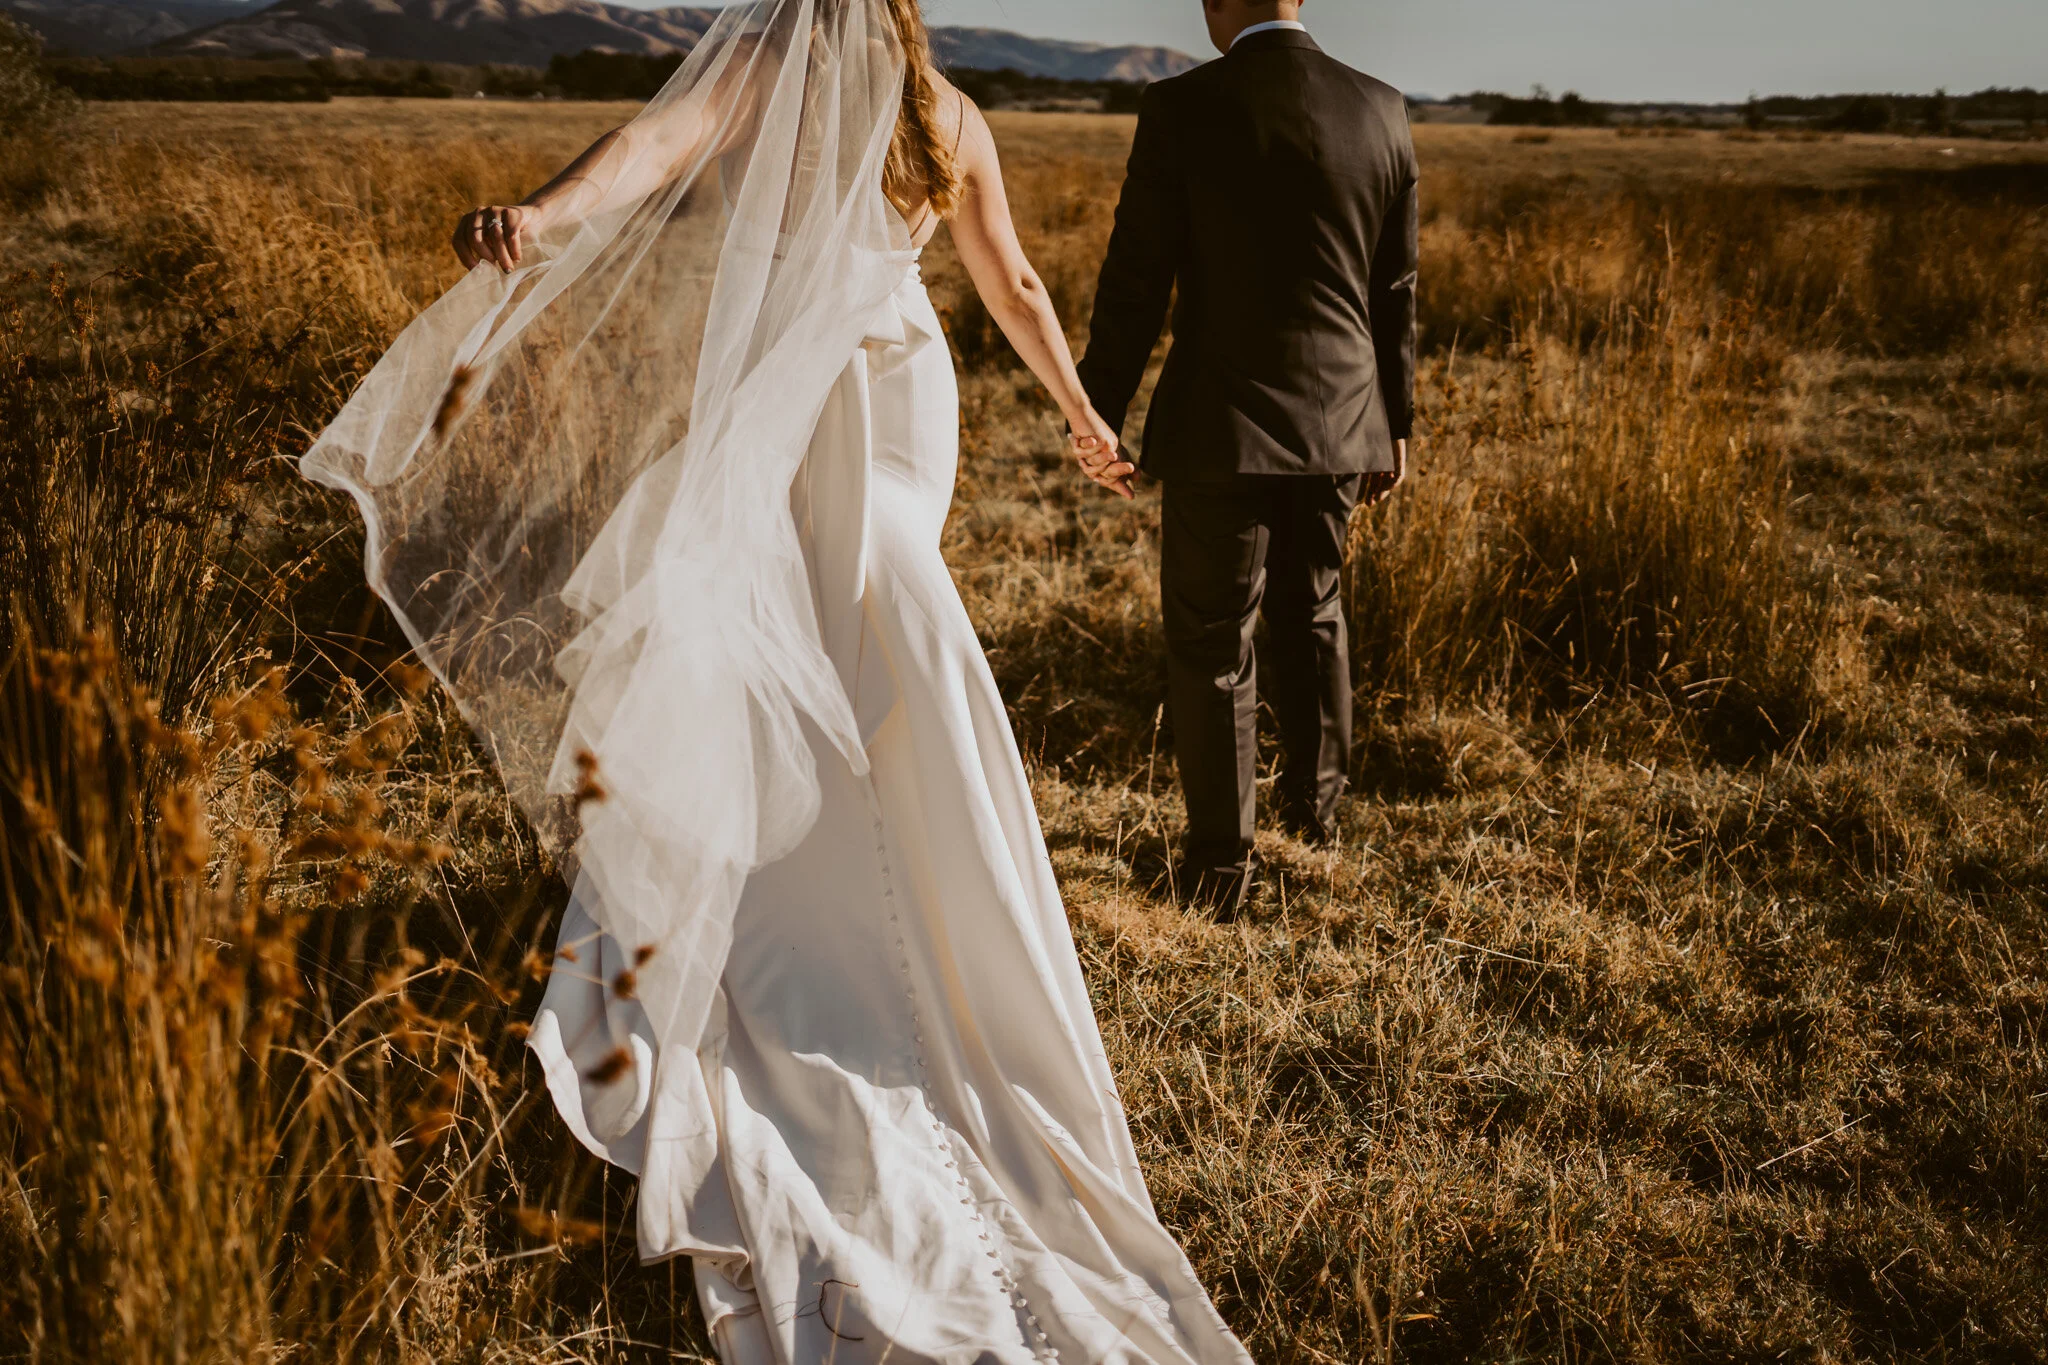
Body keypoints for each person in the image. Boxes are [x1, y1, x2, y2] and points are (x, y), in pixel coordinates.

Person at [303, 0, 1247, 1359]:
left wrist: (541, 215)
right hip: (902, 387)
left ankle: (811, 892)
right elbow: (1016, 288)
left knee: (800, 607)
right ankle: (894, 873)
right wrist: (1081, 413)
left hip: (805, 383)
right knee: (868, 609)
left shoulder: (767, 68)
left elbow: (646, 149)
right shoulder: (947, 113)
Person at [1075, 0, 1420, 916]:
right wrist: (1396, 421)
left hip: (1219, 423)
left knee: (1211, 642)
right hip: (1345, 420)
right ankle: (1316, 822)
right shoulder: (1382, 108)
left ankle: (1221, 869)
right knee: (1316, 613)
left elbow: (1136, 276)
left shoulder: (1181, 107)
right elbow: (1395, 287)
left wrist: (1097, 409)